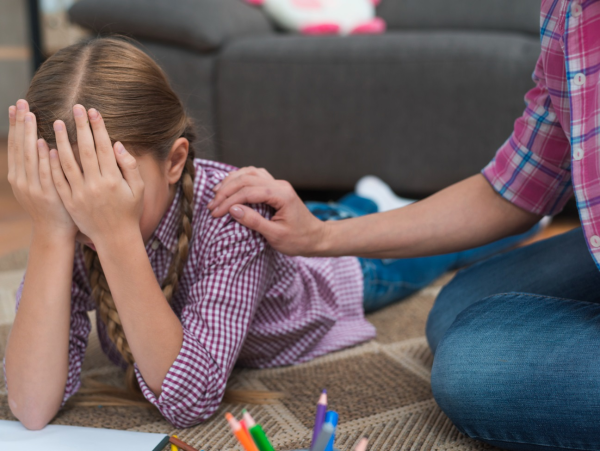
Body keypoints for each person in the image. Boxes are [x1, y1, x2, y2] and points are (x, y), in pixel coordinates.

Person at [3, 37, 542, 431]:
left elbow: (188, 402)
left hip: (340, 274)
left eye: (111, 185)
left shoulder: (230, 220)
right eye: (64, 187)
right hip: (301, 238)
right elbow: (29, 405)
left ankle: (380, 204)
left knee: (450, 248)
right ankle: (365, 197)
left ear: (174, 162)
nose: (88, 207)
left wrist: (117, 236)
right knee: (347, 208)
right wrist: (51, 233)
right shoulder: (67, 224)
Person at [208, 1, 600, 450]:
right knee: (458, 309)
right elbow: (516, 188)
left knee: (476, 365)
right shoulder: (567, 11)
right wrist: (318, 236)